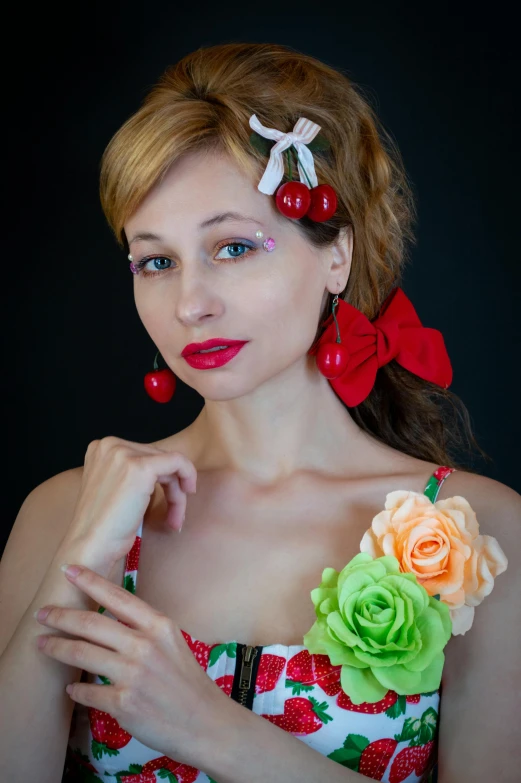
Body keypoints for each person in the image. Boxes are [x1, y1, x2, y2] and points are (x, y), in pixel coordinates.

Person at [0, 42, 519, 783]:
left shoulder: (475, 530)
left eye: (234, 247)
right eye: (156, 261)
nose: (190, 303)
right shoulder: (63, 512)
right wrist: (81, 553)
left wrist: (213, 728)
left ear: (334, 255)